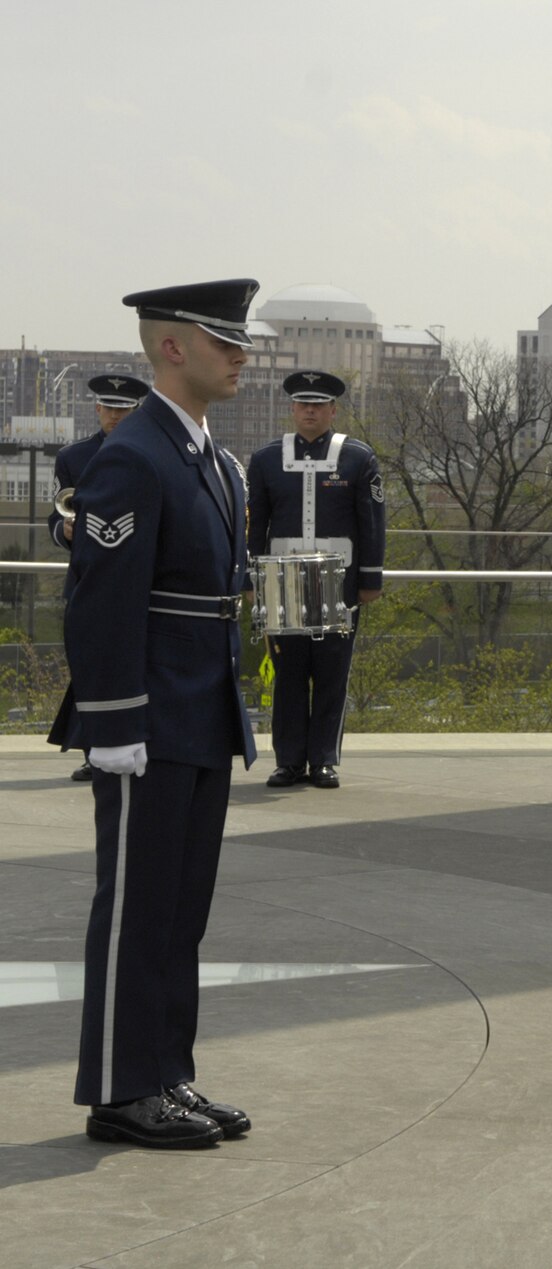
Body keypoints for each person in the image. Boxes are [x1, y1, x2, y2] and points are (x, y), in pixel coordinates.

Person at [48, 278, 260, 1149]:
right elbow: (102, 602)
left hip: (200, 706)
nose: (240, 353)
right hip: (149, 714)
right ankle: (120, 1087)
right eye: (224, 339)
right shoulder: (135, 454)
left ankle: (166, 1072)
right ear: (173, 347)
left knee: (180, 909)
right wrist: (114, 721)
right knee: (137, 906)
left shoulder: (209, 455)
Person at [246, 370, 386, 790]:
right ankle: (288, 761)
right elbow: (254, 527)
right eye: (303, 404)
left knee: (331, 674)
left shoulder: (359, 458)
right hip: (281, 582)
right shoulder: (267, 459)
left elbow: (373, 524)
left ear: (333, 410)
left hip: (340, 583)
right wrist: (249, 580)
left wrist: (370, 579)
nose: (310, 410)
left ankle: (323, 760)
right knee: (287, 674)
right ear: (292, 409)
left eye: (318, 404)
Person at [49, 373, 153, 782]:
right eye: (108, 408)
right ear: (97, 409)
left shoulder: (152, 453)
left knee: (135, 666)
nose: (115, 415)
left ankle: (135, 746)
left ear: (136, 410)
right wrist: (65, 532)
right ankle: (93, 751)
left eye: (123, 409)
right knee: (90, 667)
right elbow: (54, 520)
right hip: (88, 579)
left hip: (137, 579)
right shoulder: (72, 457)